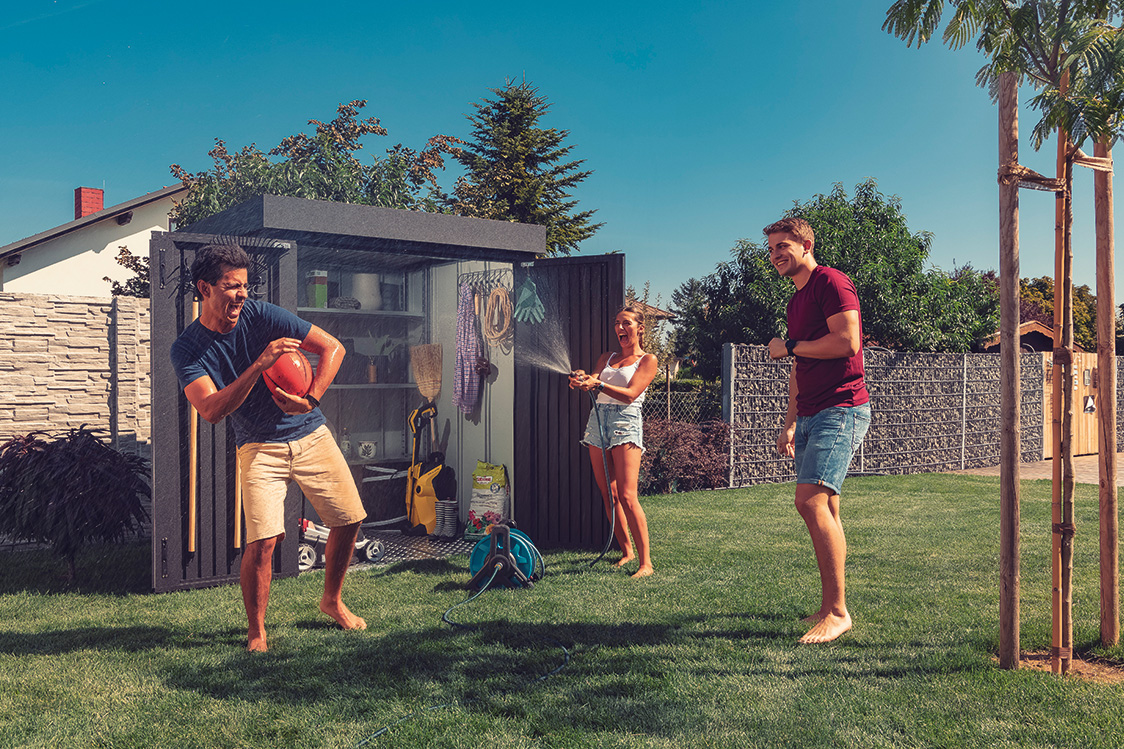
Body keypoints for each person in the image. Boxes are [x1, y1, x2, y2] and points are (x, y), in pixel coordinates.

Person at [170, 244, 367, 652]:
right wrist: (258, 365)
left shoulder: (261, 314)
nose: (242, 295)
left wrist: (311, 397)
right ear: (205, 288)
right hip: (259, 446)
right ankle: (257, 631)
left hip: (310, 431)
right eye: (231, 286)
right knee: (263, 540)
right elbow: (210, 409)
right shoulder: (188, 349)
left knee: (348, 518)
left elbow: (333, 347)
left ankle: (331, 600)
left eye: (244, 285)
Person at [765, 217, 872, 644]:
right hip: (811, 412)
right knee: (826, 507)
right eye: (772, 249)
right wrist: (790, 422)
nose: (776, 255)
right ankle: (830, 604)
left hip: (841, 407)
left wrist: (789, 345)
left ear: (806, 244)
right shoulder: (795, 303)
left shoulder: (831, 282)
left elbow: (849, 343)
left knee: (809, 501)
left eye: (784, 246)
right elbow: (799, 367)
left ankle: (839, 613)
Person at [569, 306, 658, 578]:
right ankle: (627, 551)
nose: (620, 328)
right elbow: (594, 380)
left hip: (625, 421)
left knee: (629, 496)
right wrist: (582, 379)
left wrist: (598, 386)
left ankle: (646, 564)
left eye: (627, 323)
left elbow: (631, 394)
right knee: (609, 493)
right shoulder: (607, 357)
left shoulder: (647, 360)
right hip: (597, 421)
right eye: (617, 323)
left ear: (640, 328)